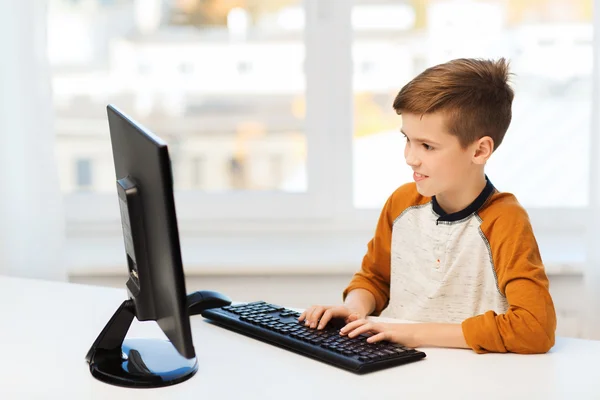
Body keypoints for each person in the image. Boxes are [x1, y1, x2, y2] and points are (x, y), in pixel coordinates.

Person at [299, 58, 556, 354]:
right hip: (396, 366)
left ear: (480, 150)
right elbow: (376, 278)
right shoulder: (401, 204)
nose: (411, 157)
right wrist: (355, 308)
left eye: (427, 146)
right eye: (407, 140)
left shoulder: (505, 220)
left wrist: (415, 334)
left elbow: (535, 329)